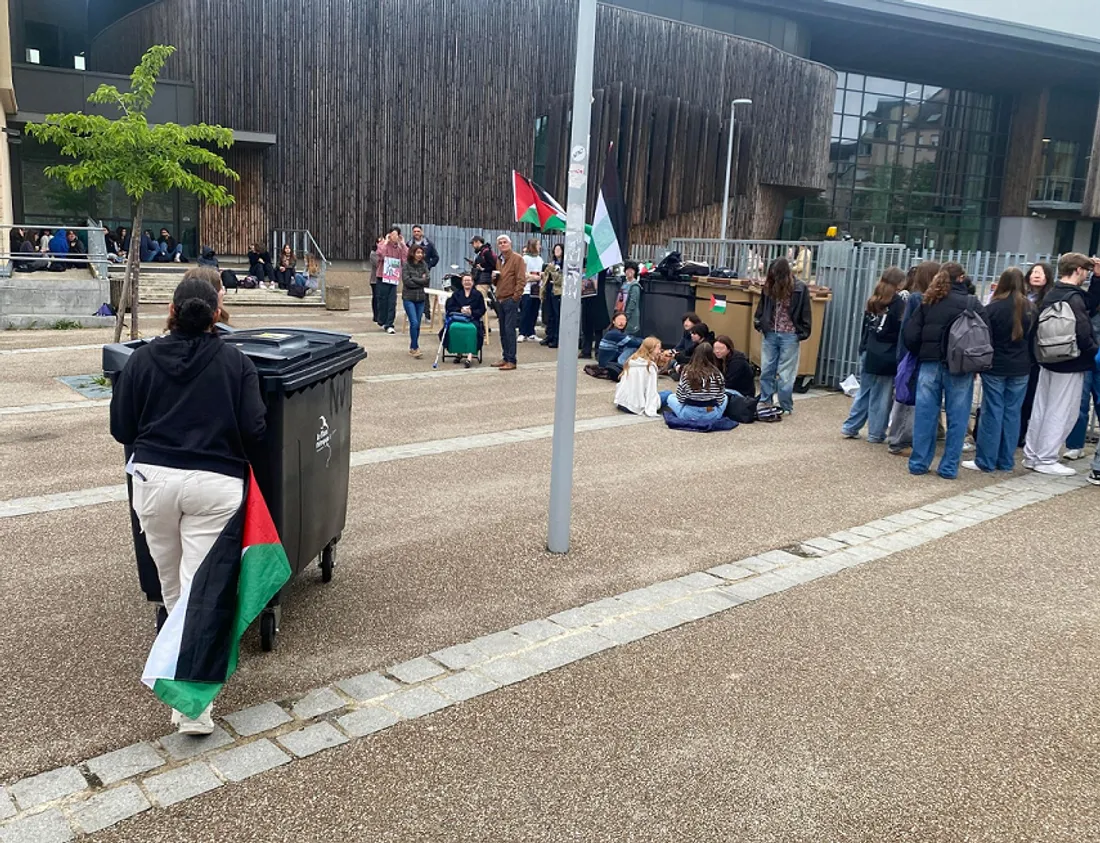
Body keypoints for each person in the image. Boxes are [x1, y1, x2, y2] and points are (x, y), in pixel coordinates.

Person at [110, 274, 265, 734]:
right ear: (216, 314)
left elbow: (122, 428)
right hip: (214, 486)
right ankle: (192, 708)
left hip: (154, 481)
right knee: (202, 593)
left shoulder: (140, 363)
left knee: (174, 590)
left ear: (172, 311)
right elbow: (255, 430)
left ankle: (185, 693)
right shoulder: (236, 363)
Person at [903, 261, 986, 480]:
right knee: (958, 417)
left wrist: (923, 351)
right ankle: (948, 467)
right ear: (961, 278)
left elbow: (910, 334)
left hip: (929, 363)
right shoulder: (971, 303)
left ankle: (919, 463)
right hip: (960, 366)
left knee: (925, 415)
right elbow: (984, 336)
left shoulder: (928, 301)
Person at [1023, 253, 1099, 476]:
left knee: (1041, 409)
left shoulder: (1053, 293)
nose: (1085, 275)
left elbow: (1091, 303)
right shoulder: (1073, 298)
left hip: (1048, 358)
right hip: (1070, 360)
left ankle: (1032, 454)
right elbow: (1084, 333)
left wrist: (1097, 279)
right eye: (1085, 271)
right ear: (1077, 270)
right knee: (1062, 411)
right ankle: (1046, 458)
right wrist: (1095, 353)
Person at [960, 267, 1035, 473]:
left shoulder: (993, 308)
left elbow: (985, 338)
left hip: (996, 365)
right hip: (1021, 366)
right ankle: (1005, 460)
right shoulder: (1031, 308)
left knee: (992, 411)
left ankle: (986, 460)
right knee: (1013, 413)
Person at [842, 267, 906, 443]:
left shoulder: (874, 300)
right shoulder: (898, 303)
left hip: (869, 350)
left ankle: (851, 426)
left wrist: (862, 347)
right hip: (887, 353)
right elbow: (898, 331)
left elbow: (865, 327)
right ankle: (876, 432)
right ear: (899, 284)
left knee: (864, 391)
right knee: (882, 396)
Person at [886, 261, 939, 455]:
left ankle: (901, 438)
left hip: (912, 353)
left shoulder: (921, 298)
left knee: (909, 398)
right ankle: (899, 439)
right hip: (913, 354)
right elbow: (909, 329)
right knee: (907, 400)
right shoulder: (917, 299)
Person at [754, 257, 812, 414]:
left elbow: (805, 311)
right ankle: (766, 401)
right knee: (767, 369)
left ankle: (785, 404)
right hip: (770, 332)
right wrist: (759, 322)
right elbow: (762, 307)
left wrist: (803, 332)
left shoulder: (799, 288)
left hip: (790, 334)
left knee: (785, 374)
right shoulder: (769, 287)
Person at [1063, 265, 1100, 461]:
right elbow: (1091, 301)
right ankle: (1075, 444)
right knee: (1080, 402)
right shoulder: (1089, 300)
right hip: (1088, 354)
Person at [659, 342, 727, 422]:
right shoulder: (717, 374)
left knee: (671, 397)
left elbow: (680, 398)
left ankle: (688, 413)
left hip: (688, 414)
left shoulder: (687, 372)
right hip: (711, 414)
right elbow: (720, 400)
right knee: (725, 397)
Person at [491, 234, 524, 370]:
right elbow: (498, 281)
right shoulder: (499, 260)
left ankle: (511, 360)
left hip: (510, 299)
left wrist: (516, 297)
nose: (502, 244)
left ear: (510, 244)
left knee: (510, 330)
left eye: (505, 242)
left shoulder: (517, 259)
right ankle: (505, 356)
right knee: (503, 331)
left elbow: (521, 279)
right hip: (500, 298)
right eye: (500, 243)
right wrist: (494, 278)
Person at [442, 273, 486, 366]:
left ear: (472, 282)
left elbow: (482, 309)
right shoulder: (456, 294)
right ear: (462, 282)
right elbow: (450, 307)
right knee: (454, 328)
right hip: (458, 318)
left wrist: (471, 312)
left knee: (472, 329)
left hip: (473, 319)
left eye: (469, 281)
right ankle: (459, 353)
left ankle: (469, 356)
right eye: (465, 281)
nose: (467, 282)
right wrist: (460, 310)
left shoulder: (478, 294)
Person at [614, 336, 663, 417]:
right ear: (651, 349)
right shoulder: (649, 367)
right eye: (658, 348)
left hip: (622, 402)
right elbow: (651, 391)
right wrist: (651, 408)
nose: (660, 351)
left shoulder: (631, 361)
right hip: (636, 405)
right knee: (668, 395)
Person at [374, 226, 408, 334]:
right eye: (392, 235)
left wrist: (403, 244)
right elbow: (380, 255)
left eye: (396, 235)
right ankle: (382, 320)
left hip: (393, 277)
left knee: (392, 301)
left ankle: (389, 323)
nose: (394, 237)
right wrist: (386, 242)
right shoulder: (382, 244)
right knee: (382, 300)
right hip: (382, 276)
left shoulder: (399, 247)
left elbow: (405, 259)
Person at [402, 244, 431, 359]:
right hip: (409, 298)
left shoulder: (424, 265)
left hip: (421, 298)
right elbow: (407, 281)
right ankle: (415, 347)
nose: (420, 255)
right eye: (417, 252)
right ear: (413, 253)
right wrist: (420, 280)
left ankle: (413, 346)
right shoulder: (406, 265)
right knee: (413, 322)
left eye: (421, 253)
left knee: (417, 324)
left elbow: (427, 280)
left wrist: (415, 279)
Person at [580, 269, 610, 359]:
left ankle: (598, 351)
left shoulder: (601, 271)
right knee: (586, 328)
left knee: (598, 329)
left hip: (598, 301)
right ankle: (586, 350)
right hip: (587, 300)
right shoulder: (585, 271)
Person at [519, 238, 544, 343]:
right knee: (525, 311)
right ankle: (522, 333)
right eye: (538, 244)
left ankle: (531, 333)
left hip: (537, 289)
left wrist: (535, 276)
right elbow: (523, 274)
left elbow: (542, 273)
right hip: (527, 289)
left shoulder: (540, 259)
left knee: (534, 311)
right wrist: (536, 276)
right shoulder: (525, 258)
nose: (540, 246)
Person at [540, 243, 564, 348]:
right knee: (549, 314)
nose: (557, 251)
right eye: (555, 249)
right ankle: (549, 335)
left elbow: (560, 279)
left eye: (559, 249)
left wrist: (553, 271)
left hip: (558, 291)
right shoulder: (551, 263)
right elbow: (546, 275)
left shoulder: (564, 264)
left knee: (557, 314)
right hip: (549, 290)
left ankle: (557, 338)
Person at [616, 260, 643, 337]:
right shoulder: (624, 284)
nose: (629, 271)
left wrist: (625, 317)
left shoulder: (635, 286)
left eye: (632, 270)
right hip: (621, 314)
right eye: (627, 269)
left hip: (630, 318)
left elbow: (632, 303)